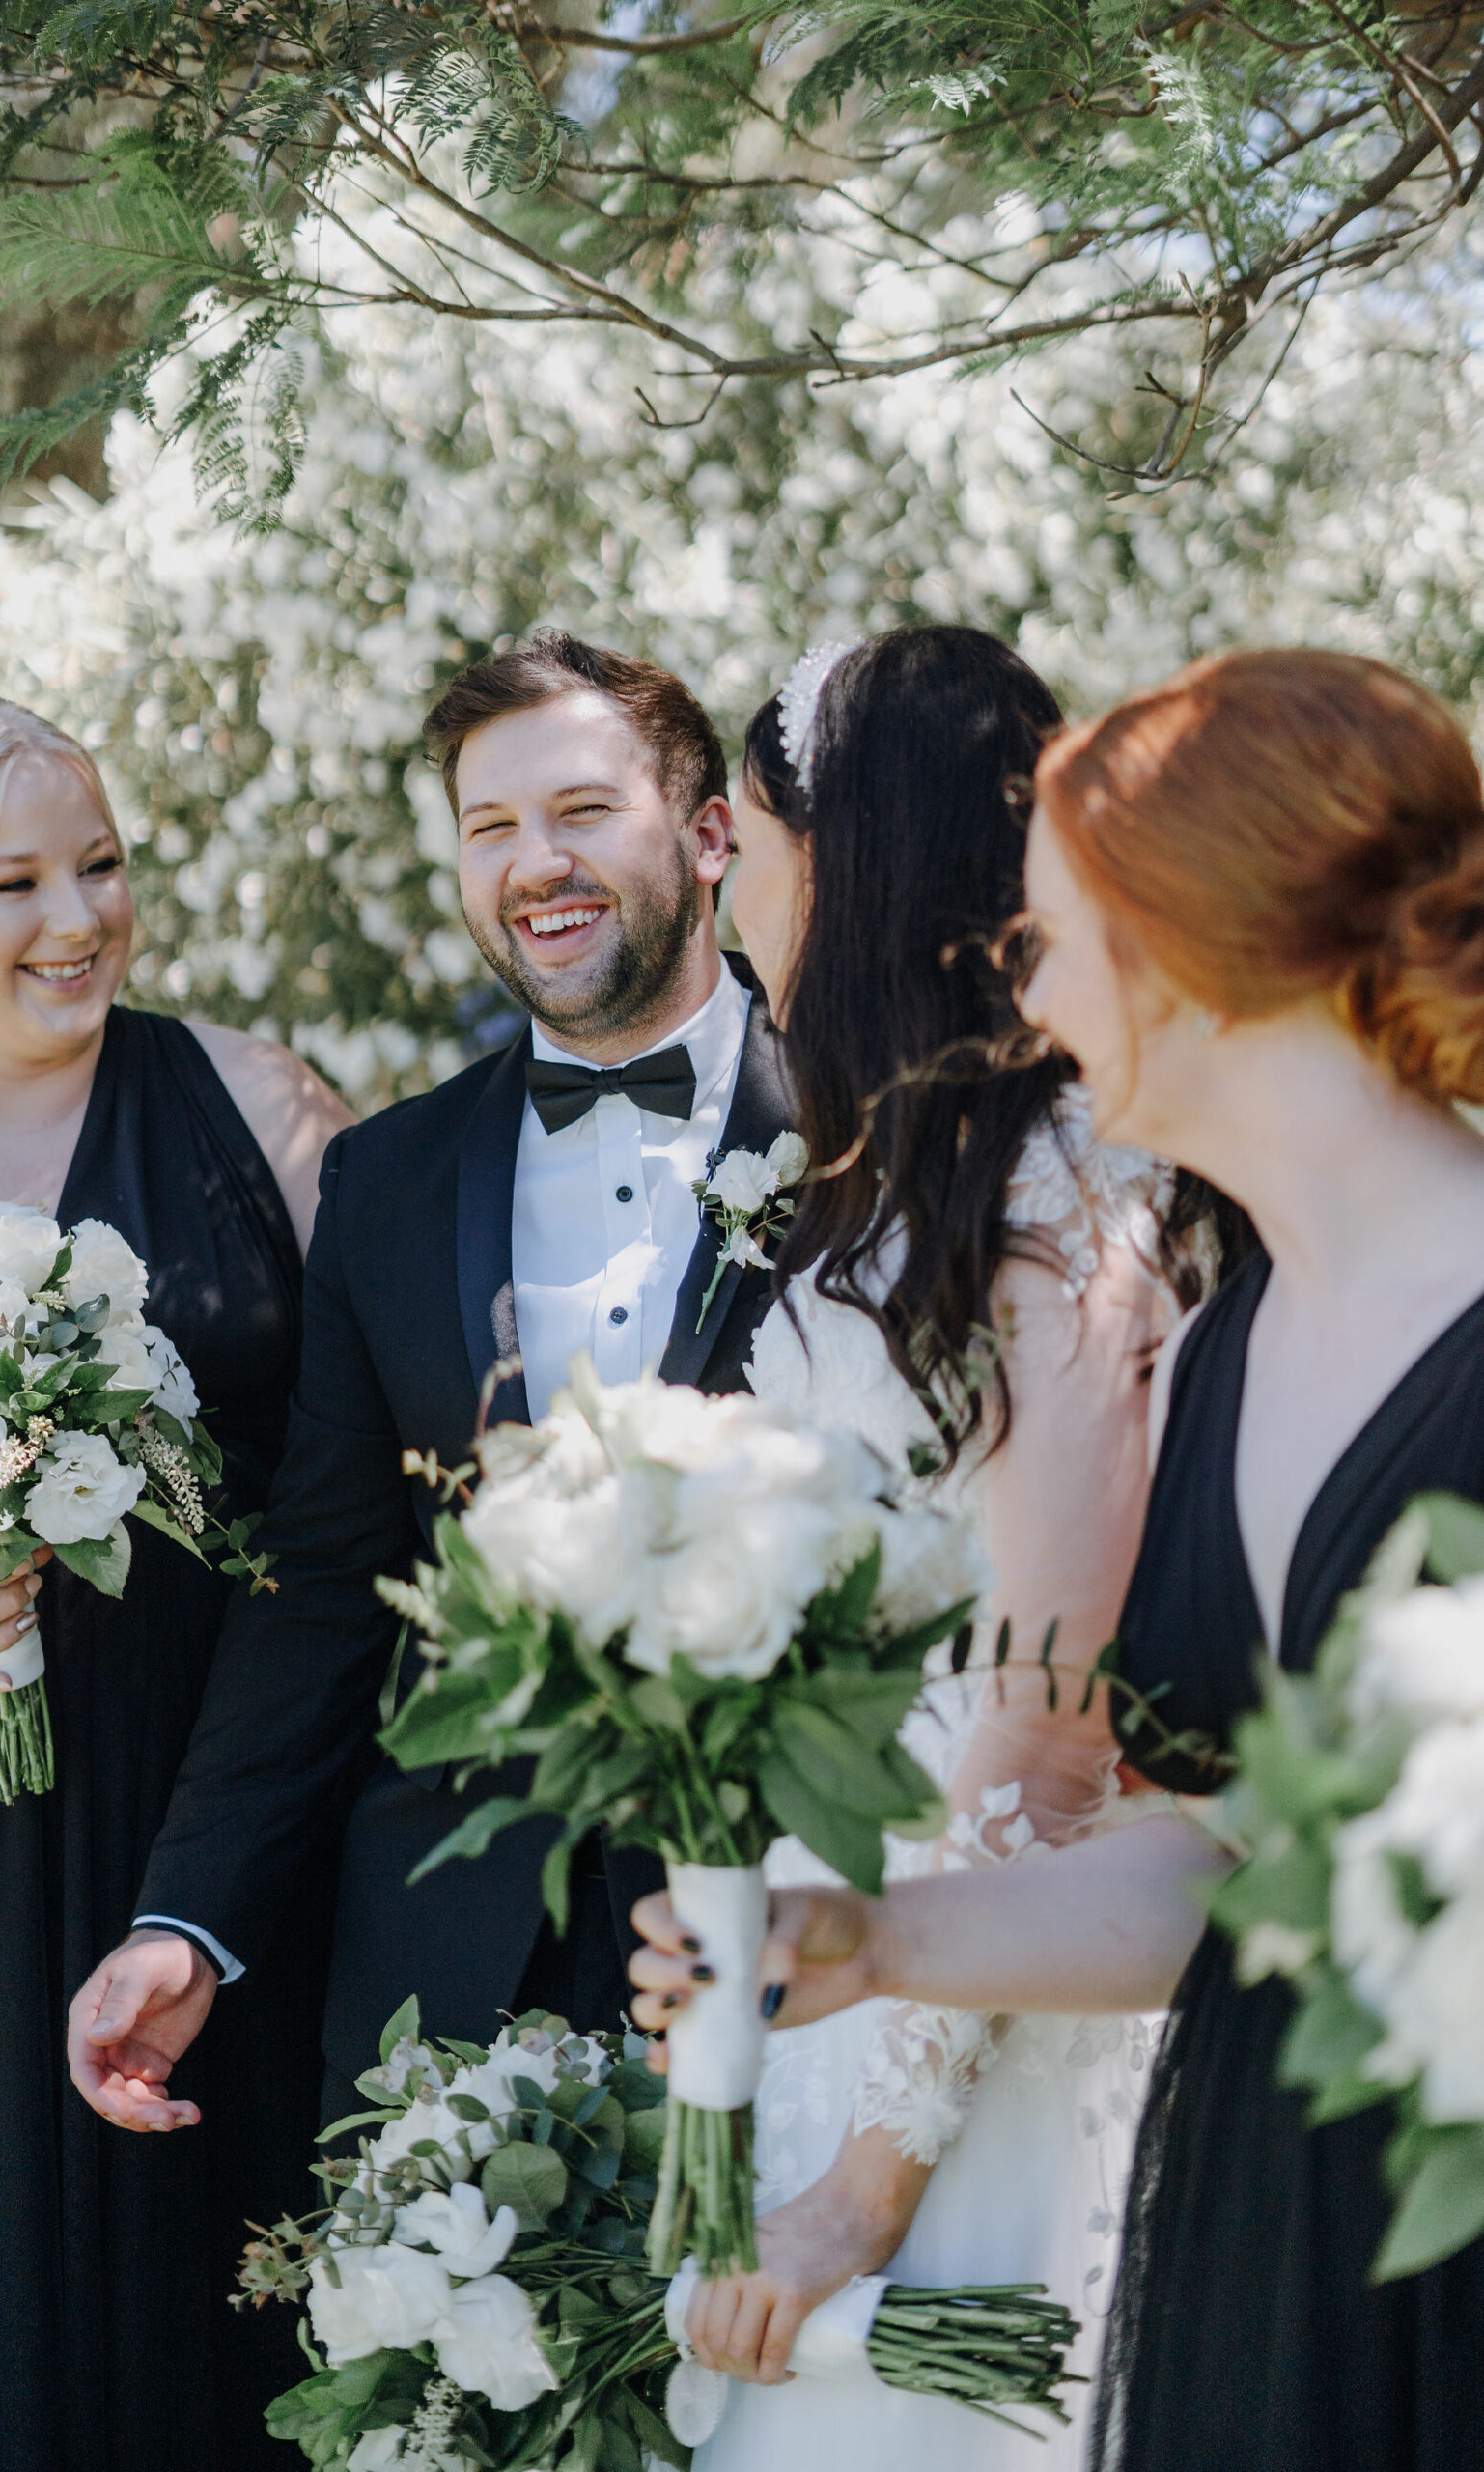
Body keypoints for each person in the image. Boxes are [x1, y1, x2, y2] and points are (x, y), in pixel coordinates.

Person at [632, 647, 1484, 2472]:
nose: (1018, 984)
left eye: (1053, 933)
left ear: (1197, 947)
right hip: (1261, 2202)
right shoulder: (1243, 1343)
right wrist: (878, 1935)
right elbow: (1230, 1865)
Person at [65, 632, 795, 2144]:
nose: (536, 864)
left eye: (583, 811)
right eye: (490, 828)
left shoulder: (872, 1129)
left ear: (711, 833)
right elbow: (328, 1584)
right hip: (450, 1985)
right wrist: (183, 1919)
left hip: (794, 1941)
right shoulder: (386, 1180)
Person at [671, 625, 1206, 2472]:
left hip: (970, 2038)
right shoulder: (896, 1183)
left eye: (745, 836)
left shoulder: (1068, 1200)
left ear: (857, 860)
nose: (722, 881)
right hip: (820, 1977)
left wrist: (864, 2189)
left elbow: (1046, 1744)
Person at [0, 695, 353, 2472]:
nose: (81, 919)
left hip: (218, 1848)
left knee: (210, 2328)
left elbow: (369, 1487)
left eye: (104, 865)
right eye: (16, 883)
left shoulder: (264, 1115)